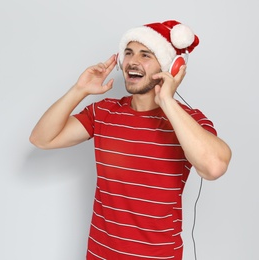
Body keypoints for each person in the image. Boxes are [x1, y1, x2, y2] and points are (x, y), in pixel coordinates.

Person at [29, 20, 232, 260]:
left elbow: (214, 167)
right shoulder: (103, 112)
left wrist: (167, 101)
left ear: (170, 66)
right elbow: (42, 139)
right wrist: (79, 90)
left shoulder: (188, 121)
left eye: (145, 54)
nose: (133, 61)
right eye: (128, 53)